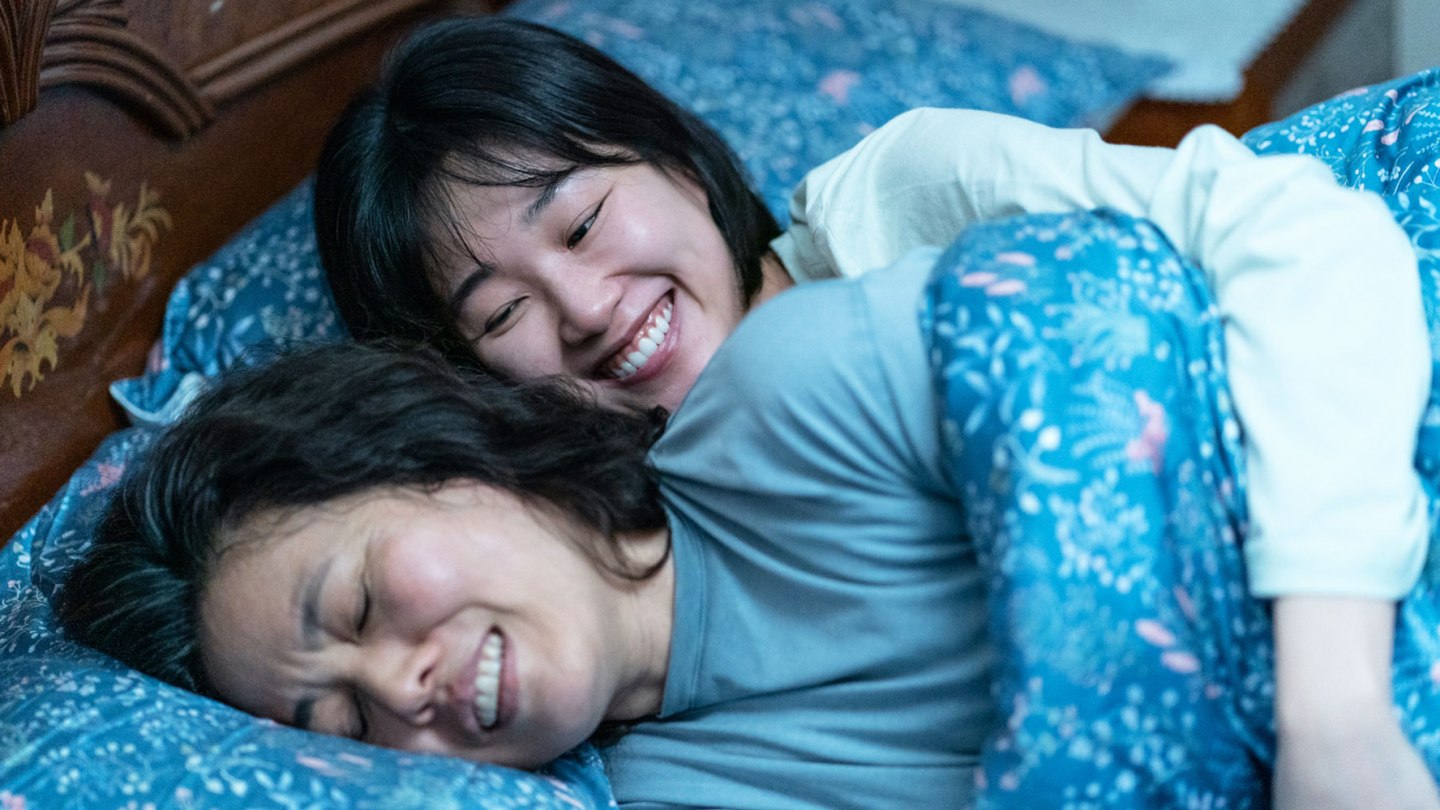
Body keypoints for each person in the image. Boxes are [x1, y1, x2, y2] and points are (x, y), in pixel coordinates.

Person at [313, 15, 1431, 809]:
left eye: (583, 223)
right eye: (504, 312)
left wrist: (1332, 713)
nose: (589, 310)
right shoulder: (651, 594)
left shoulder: (893, 203)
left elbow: (1308, 237)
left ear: (674, 163)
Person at [55, 221, 1440, 807]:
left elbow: (1098, 311)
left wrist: (1327, 728)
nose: (398, 687)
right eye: (346, 723)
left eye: (357, 605)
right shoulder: (681, 794)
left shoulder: (781, 397)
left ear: (438, 457)